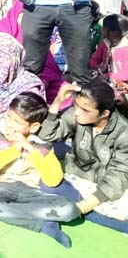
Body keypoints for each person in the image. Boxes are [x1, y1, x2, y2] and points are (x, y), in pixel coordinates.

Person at [0, 93, 77, 248]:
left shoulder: (42, 143)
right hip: (2, 189)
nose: (9, 125)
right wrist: (13, 150)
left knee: (69, 210)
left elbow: (53, 180)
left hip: (33, 191)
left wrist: (30, 149)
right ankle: (44, 225)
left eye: (17, 122)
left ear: (33, 127)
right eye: (9, 117)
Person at [38, 81, 128, 234]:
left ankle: (77, 211)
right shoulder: (75, 115)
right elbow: (47, 135)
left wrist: (84, 206)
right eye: (76, 106)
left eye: (84, 109)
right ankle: (84, 212)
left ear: (104, 113)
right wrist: (58, 101)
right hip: (77, 178)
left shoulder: (123, 133)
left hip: (107, 187)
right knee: (47, 183)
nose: (77, 112)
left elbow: (118, 176)